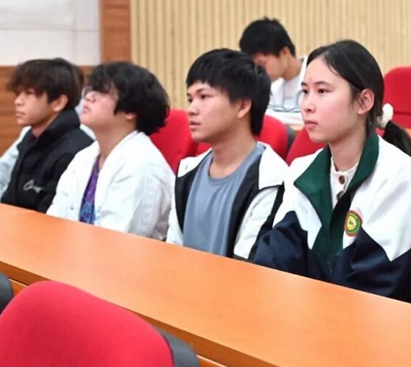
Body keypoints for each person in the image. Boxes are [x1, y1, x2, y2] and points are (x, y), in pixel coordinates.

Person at [254, 40, 411, 302]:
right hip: (309, 317)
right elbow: (273, 263)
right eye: (305, 92)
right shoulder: (301, 172)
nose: (307, 105)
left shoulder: (398, 179)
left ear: (364, 101)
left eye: (322, 91)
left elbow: (374, 293)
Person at [166, 49, 288, 260]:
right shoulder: (187, 172)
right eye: (190, 99)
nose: (191, 109)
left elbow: (247, 267)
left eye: (204, 97)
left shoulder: (271, 179)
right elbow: (173, 250)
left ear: (242, 105)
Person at [46, 63, 173, 239]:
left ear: (130, 110)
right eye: (90, 89)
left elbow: (117, 245)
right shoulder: (84, 157)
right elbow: (55, 220)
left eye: (102, 92)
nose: (88, 97)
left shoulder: (141, 166)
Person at [0, 59, 93, 212]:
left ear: (58, 102)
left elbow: (50, 215)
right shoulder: (31, 137)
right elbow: (10, 199)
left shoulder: (75, 151)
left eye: (29, 93)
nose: (18, 101)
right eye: (18, 93)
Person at [239, 18, 305, 126]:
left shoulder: (319, 74)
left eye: (261, 64)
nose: (258, 70)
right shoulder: (267, 84)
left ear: (284, 52)